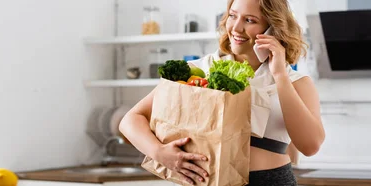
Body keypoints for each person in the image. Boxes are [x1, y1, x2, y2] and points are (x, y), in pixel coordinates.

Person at [119, 0, 325, 185]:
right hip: (207, 181)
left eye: (250, 20)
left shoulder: (296, 82)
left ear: (273, 28)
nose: (236, 27)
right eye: (233, 16)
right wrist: (160, 153)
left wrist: (279, 75)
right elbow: (130, 120)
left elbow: (310, 146)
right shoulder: (198, 70)